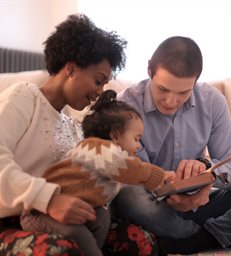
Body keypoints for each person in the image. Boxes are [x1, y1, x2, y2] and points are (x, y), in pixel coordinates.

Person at [110, 36, 231, 255]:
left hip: (201, 204)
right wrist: (168, 188)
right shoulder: (125, 105)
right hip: (151, 208)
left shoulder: (213, 101)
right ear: (149, 69)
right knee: (128, 197)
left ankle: (205, 236)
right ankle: (222, 232)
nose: (171, 101)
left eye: (183, 93)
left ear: (196, 81)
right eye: (163, 89)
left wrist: (208, 173)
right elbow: (130, 175)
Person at [0, 13, 127, 255]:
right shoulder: (23, 97)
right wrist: (49, 199)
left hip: (46, 217)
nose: (100, 92)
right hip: (8, 217)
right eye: (98, 81)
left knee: (133, 236)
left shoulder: (72, 126)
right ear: (70, 69)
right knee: (64, 248)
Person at [20, 89, 172, 255]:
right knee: (77, 234)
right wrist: (158, 176)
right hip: (39, 213)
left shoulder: (107, 160)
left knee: (101, 216)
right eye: (136, 139)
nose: (138, 146)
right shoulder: (96, 149)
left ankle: (92, 250)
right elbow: (129, 168)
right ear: (114, 135)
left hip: (75, 209)